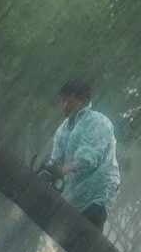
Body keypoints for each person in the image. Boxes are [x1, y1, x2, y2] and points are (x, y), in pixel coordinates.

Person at [43, 77, 121, 229]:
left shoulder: (98, 122)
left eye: (69, 101)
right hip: (75, 194)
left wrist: (66, 169)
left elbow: (91, 156)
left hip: (99, 192)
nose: (65, 106)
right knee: (76, 243)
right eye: (63, 101)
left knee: (90, 237)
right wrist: (50, 170)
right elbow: (56, 159)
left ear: (83, 100)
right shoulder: (63, 130)